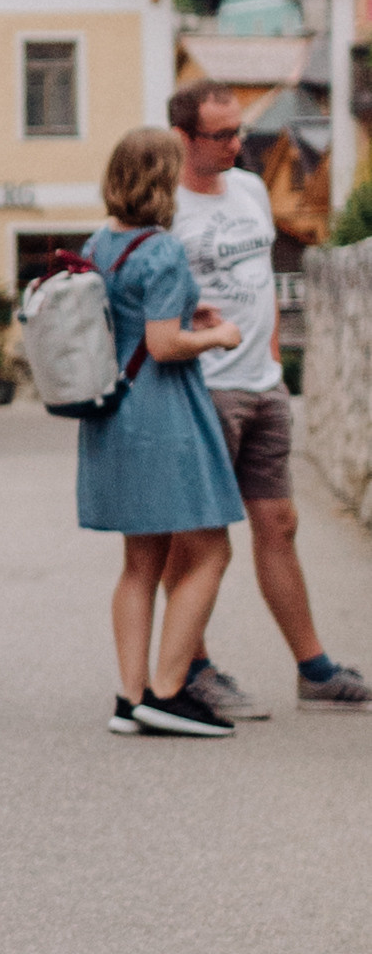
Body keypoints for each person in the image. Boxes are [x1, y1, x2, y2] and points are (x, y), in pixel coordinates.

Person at [167, 81, 370, 715]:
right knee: (195, 537)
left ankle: (314, 671)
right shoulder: (165, 207)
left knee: (279, 524)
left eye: (239, 131)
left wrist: (275, 358)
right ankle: (191, 666)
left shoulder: (251, 189)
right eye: (221, 135)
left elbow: (258, 281)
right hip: (203, 387)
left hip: (261, 384)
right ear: (183, 139)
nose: (237, 144)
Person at [79, 126, 245, 736]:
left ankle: (129, 697)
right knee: (211, 549)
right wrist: (216, 335)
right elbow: (164, 343)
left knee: (140, 563)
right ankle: (168, 691)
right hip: (163, 412)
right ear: (161, 177)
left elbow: (131, 319)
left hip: (114, 409)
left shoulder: (101, 243)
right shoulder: (162, 248)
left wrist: (182, 314)